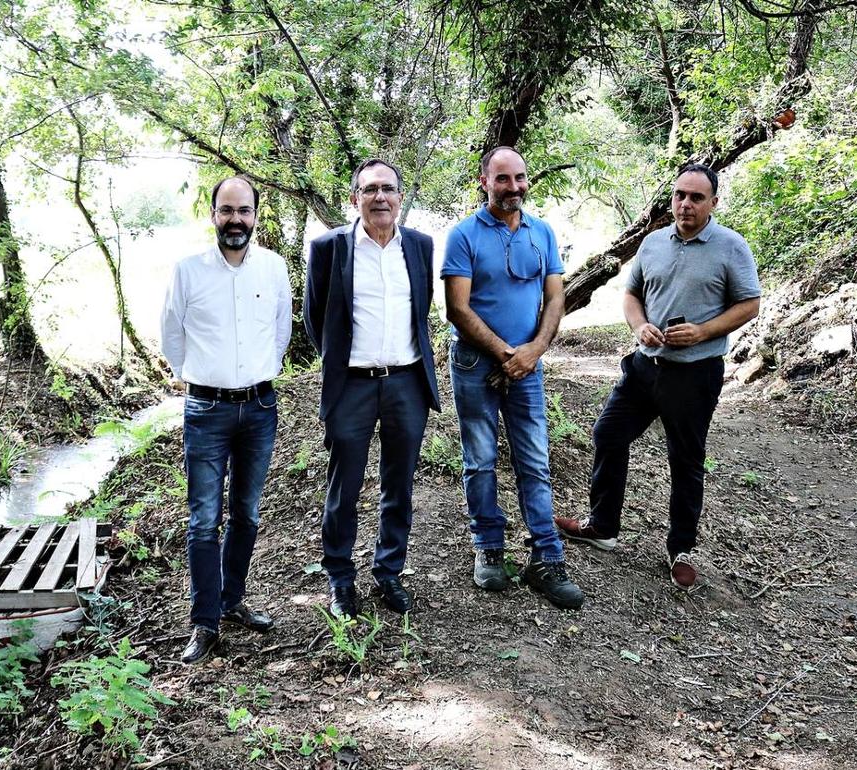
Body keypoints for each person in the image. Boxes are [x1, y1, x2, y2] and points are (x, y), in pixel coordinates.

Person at [555, 163, 761, 591]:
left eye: (696, 197)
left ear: (713, 203)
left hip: (695, 374)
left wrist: (704, 331)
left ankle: (680, 549)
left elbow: (749, 304)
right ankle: (603, 526)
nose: (686, 204)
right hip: (644, 366)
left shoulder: (731, 247)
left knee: (685, 461)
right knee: (608, 434)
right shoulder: (652, 243)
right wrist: (638, 326)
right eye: (680, 195)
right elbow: (631, 294)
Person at [441, 146, 584, 610]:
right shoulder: (463, 236)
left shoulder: (542, 232)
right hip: (475, 363)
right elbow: (457, 308)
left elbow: (556, 298)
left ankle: (547, 557)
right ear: (484, 182)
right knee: (480, 460)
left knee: (535, 462)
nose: (514, 187)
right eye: (502, 179)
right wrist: (508, 354)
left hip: (528, 364)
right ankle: (489, 548)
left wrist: (535, 350)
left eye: (520, 178)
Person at [160, 176, 292, 663]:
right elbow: (171, 333)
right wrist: (200, 379)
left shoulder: (274, 269)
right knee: (203, 521)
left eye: (244, 211)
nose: (235, 219)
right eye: (226, 210)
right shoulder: (188, 271)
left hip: (259, 407)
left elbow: (281, 328)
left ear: (255, 216)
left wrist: (259, 375)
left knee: (248, 514)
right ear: (212, 214)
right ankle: (204, 621)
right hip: (206, 410)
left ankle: (232, 601)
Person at [305, 158, 440, 618]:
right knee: (344, 487)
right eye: (370, 190)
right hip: (352, 387)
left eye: (388, 189)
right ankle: (341, 580)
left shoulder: (420, 246)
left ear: (401, 197)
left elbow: (422, 310)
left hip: (406, 382)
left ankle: (389, 573)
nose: (380, 197)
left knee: (398, 485)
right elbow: (314, 318)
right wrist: (341, 366)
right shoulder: (330, 248)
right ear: (354, 199)